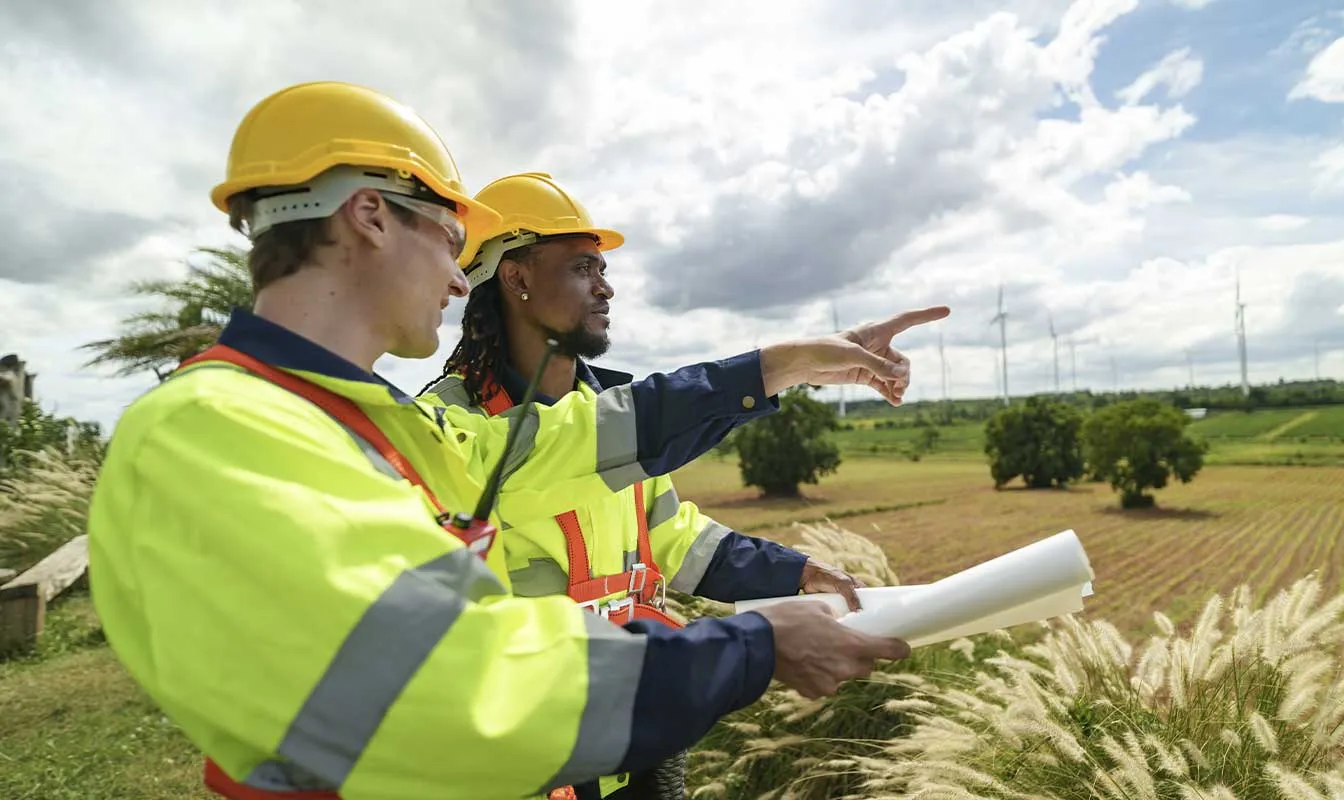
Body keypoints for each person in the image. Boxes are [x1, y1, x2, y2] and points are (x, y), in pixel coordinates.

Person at [85, 80, 939, 800]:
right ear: (370, 216)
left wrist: (790, 364)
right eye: (452, 243)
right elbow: (446, 687)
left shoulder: (387, 428)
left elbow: (593, 448)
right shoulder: (213, 433)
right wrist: (755, 647)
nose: (460, 277)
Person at [417, 172, 875, 798]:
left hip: (641, 726)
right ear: (516, 277)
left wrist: (794, 572)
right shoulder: (453, 427)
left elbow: (669, 533)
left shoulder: (608, 408)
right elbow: (583, 439)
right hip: (534, 748)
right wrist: (782, 364)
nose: (606, 287)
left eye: (602, 268)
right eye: (582, 267)